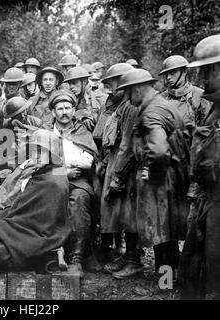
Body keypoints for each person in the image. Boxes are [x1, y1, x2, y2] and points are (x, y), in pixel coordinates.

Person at [0, 129, 71, 299]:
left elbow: (32, 216)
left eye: (42, 151)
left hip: (37, 234)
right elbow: (25, 207)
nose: (37, 155)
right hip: (32, 229)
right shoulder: (48, 172)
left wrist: (4, 220)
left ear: (53, 153)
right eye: (34, 150)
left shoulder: (52, 181)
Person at [117, 68, 190, 276]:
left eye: (128, 93)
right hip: (174, 174)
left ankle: (164, 282)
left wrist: (153, 174)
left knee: (161, 233)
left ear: (138, 90)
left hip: (163, 178)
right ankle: (172, 276)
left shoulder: (151, 113)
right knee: (169, 233)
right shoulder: (163, 104)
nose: (128, 99)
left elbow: (158, 150)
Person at [179, 34, 220, 299]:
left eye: (208, 71)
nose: (202, 79)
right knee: (192, 266)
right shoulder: (214, 107)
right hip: (207, 198)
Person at [45, 89, 100, 274]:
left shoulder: (81, 130)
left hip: (79, 182)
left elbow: (87, 161)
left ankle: (76, 257)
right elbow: (38, 161)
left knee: (78, 202)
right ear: (53, 112)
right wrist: (64, 170)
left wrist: (61, 158)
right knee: (43, 203)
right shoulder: (45, 131)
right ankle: (48, 254)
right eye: (60, 108)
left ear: (74, 110)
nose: (64, 112)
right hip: (50, 180)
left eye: (68, 107)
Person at [96, 63, 141, 278]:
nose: (110, 87)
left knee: (130, 213)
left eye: (114, 82)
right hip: (116, 162)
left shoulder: (130, 107)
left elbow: (128, 144)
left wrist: (118, 176)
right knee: (120, 212)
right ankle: (127, 256)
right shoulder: (118, 105)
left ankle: (134, 260)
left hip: (127, 168)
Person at [159, 55, 211, 141]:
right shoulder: (161, 98)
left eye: (172, 73)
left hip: (194, 148)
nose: (168, 77)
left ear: (184, 72)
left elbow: (208, 130)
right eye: (166, 74)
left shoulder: (199, 95)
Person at [63, 66, 100, 131]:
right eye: (70, 84)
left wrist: (86, 118)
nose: (71, 87)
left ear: (84, 82)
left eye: (74, 83)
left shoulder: (97, 98)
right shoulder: (72, 98)